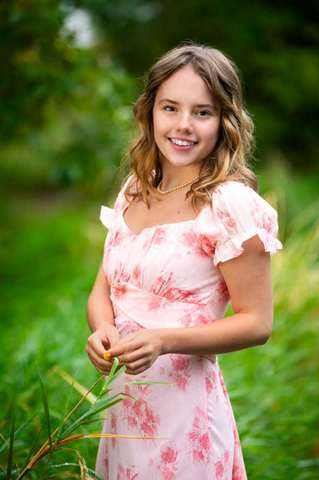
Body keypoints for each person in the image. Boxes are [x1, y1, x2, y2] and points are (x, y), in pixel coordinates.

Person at [85, 41, 283, 480]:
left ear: (224, 121)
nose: (183, 125)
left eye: (203, 112)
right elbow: (105, 289)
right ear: (149, 112)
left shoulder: (229, 204)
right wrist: (102, 327)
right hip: (125, 410)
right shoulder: (135, 190)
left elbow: (257, 323)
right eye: (170, 108)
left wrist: (164, 340)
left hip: (184, 418)